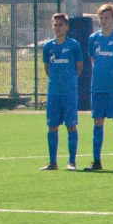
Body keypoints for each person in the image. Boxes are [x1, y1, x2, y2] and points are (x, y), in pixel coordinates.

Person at [85, 3, 113, 171]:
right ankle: (96, 161)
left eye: (107, 18)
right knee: (98, 122)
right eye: (101, 18)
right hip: (97, 87)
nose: (104, 21)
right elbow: (92, 60)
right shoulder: (93, 38)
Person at [39, 12, 83, 170]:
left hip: (69, 91)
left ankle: (71, 162)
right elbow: (47, 68)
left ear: (67, 27)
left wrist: (70, 80)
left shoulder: (73, 45)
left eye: (60, 25)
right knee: (52, 126)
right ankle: (53, 162)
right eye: (55, 25)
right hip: (53, 92)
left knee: (71, 125)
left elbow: (79, 66)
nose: (57, 27)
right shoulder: (48, 47)